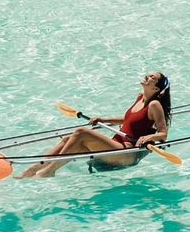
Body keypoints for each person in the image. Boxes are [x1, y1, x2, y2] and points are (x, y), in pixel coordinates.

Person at [20, 72, 172, 178]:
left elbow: (163, 133)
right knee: (69, 139)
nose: (148, 76)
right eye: (149, 74)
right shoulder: (140, 97)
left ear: (156, 88)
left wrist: (147, 137)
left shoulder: (154, 104)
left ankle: (49, 171)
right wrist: (104, 120)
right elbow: (129, 119)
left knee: (80, 132)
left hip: (127, 153)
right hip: (116, 146)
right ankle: (33, 169)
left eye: (152, 77)